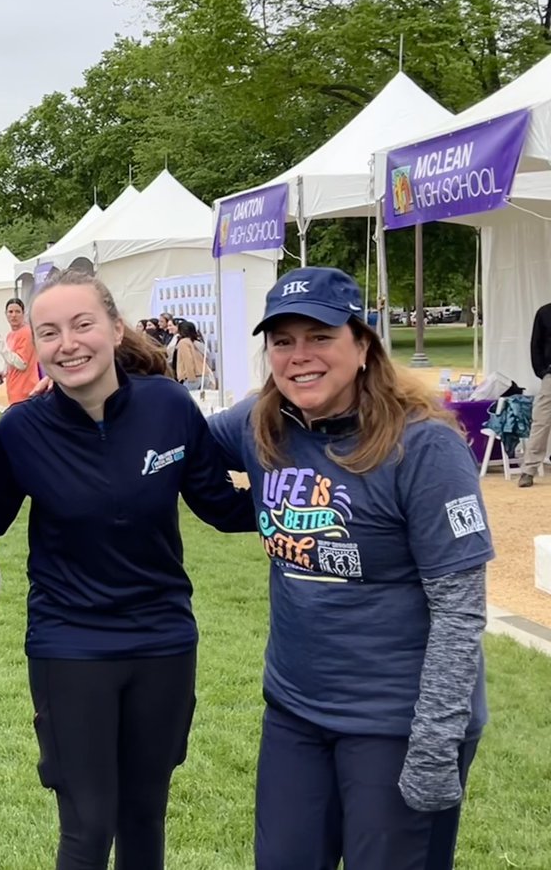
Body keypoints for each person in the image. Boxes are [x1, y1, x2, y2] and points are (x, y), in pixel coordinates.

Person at [207, 267, 491, 870]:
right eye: (282, 341)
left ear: (362, 345)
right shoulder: (260, 422)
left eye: (320, 336)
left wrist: (435, 744)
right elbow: (170, 435)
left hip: (399, 722)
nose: (298, 357)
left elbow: (460, 611)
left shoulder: (425, 447)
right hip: (295, 711)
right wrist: (98, 387)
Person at [0, 269, 255, 870]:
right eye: (49, 332)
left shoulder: (167, 405)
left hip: (163, 640)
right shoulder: (21, 431)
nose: (68, 343)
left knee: (143, 815)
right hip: (70, 645)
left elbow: (219, 503)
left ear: (113, 328)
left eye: (83, 324)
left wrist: (321, 497)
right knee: (88, 824)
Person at [519, 299, 551, 487]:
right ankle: (529, 470)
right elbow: (535, 345)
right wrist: (541, 371)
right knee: (541, 421)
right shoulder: (545, 313)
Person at [0, 296, 40, 406]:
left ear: (23, 313)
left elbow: (21, 363)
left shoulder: (27, 333)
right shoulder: (10, 335)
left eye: (17, 312)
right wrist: (4, 372)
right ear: (5, 314)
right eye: (10, 312)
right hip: (14, 390)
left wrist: (0, 346)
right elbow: (11, 361)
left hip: (26, 391)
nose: (13, 315)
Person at [174, 319, 206, 390]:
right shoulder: (196, 342)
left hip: (193, 377)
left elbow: (188, 360)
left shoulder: (183, 342)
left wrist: (191, 378)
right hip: (203, 375)